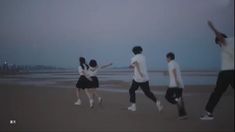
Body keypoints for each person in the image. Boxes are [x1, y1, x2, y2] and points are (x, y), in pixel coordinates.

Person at [200, 21, 234, 120]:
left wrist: (212, 28)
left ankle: (209, 113)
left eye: (218, 43)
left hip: (226, 73)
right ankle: (209, 113)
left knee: (217, 93)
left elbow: (221, 38)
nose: (219, 45)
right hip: (231, 72)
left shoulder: (227, 42)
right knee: (217, 93)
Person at [127, 46, 163, 112]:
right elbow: (136, 64)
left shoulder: (134, 58)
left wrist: (140, 72)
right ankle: (157, 102)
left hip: (137, 78)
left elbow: (136, 63)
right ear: (140, 51)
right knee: (147, 93)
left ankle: (133, 106)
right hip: (145, 78)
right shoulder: (143, 57)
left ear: (134, 52)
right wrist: (131, 66)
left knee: (131, 90)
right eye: (141, 50)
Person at [165, 52, 187, 120]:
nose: (166, 59)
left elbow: (174, 71)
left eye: (167, 58)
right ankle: (183, 115)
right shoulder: (176, 63)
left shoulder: (170, 63)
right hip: (179, 84)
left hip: (174, 84)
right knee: (179, 99)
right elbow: (175, 71)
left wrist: (176, 81)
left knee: (167, 96)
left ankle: (177, 102)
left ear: (169, 57)